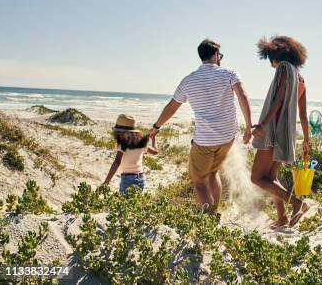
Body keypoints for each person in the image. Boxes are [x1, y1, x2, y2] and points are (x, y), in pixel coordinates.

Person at [149, 39, 253, 214]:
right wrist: (249, 127)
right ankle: (214, 211)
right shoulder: (229, 74)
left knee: (199, 181)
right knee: (212, 173)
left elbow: (172, 107)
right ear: (215, 55)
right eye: (219, 55)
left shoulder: (188, 80)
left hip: (204, 140)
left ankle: (209, 217)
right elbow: (242, 95)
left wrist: (156, 126)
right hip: (227, 138)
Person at [251, 35, 310, 229]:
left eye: (270, 60)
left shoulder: (284, 68)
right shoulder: (300, 79)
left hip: (274, 132)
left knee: (257, 178)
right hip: (286, 134)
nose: (271, 65)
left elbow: (279, 98)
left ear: (277, 55)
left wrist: (263, 125)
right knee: (271, 178)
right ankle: (282, 218)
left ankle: (297, 203)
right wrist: (306, 139)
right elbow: (302, 114)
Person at [104, 113, 158, 192]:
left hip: (127, 178)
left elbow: (117, 162)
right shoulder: (141, 141)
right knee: (136, 202)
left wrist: (107, 181)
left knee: (124, 203)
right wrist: (153, 138)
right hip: (140, 177)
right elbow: (155, 151)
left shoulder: (121, 143)